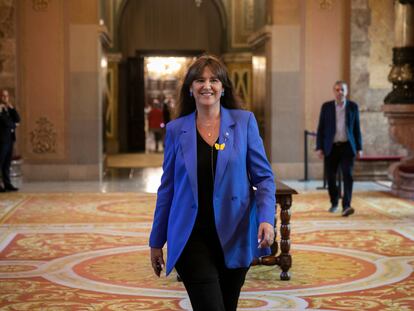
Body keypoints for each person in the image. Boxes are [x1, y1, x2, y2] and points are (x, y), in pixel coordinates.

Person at [149, 55, 276, 311]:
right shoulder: (176, 130)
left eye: (213, 80)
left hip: (235, 233)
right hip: (191, 236)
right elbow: (167, 190)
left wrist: (266, 219)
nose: (207, 85)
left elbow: (264, 178)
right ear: (190, 88)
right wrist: (156, 241)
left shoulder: (244, 122)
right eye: (200, 80)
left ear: (223, 87)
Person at [316, 81, 363, 217]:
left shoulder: (353, 107)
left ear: (346, 91)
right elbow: (321, 128)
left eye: (342, 90)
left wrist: (359, 147)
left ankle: (346, 205)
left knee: (348, 175)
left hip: (347, 147)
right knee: (331, 177)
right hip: (331, 147)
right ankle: (334, 201)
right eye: (337, 90)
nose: (339, 92)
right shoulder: (326, 107)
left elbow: (356, 128)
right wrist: (319, 147)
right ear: (334, 91)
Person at [0, 89, 21, 192]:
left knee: (7, 163)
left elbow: (18, 119)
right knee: (0, 162)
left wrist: (11, 108)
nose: (5, 98)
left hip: (9, 139)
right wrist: (14, 125)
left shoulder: (8, 108)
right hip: (2, 140)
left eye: (7, 96)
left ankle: (7, 184)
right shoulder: (0, 109)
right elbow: (5, 122)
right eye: (3, 96)